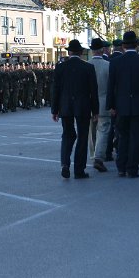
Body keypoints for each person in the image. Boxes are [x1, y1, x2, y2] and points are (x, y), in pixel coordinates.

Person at [107, 31, 139, 178]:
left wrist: (111, 105)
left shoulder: (115, 62)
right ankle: (132, 167)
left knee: (122, 136)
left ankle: (121, 166)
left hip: (121, 105)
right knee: (137, 137)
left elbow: (111, 86)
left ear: (123, 46)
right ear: (136, 45)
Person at [51, 40, 98, 179]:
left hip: (65, 106)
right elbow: (93, 91)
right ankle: (79, 169)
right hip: (83, 106)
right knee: (82, 137)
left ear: (69, 52)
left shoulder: (60, 67)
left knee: (67, 135)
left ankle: (65, 164)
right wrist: (96, 110)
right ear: (81, 52)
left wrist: (54, 110)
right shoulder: (88, 67)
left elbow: (55, 90)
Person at [87, 38, 111, 172]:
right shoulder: (108, 66)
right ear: (103, 50)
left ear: (92, 51)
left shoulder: (86, 65)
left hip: (89, 104)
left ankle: (93, 155)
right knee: (103, 130)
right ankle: (99, 157)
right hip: (104, 104)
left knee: (91, 131)